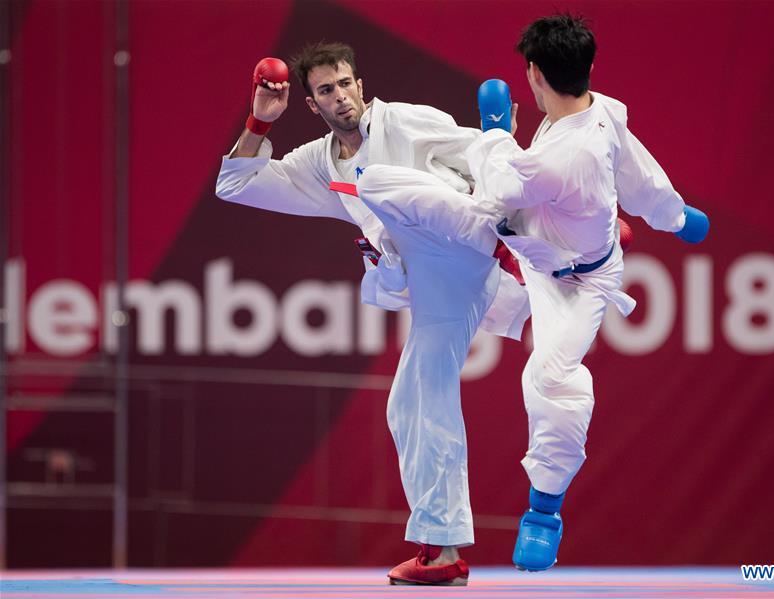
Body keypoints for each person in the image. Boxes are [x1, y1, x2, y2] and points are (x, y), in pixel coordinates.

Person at [215, 42, 529, 586]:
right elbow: (236, 183)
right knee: (411, 403)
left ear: (361, 84)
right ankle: (441, 549)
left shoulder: (404, 122)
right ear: (312, 105)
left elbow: (483, 159)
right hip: (434, 288)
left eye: (345, 84)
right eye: (326, 91)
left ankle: (541, 248)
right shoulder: (318, 161)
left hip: (470, 247)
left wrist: (502, 147)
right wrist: (259, 123)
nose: (340, 97)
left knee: (382, 182)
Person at [465, 14, 709, 571]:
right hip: (542, 245)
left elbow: (504, 184)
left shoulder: (562, 155)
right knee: (453, 280)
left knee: (548, 376)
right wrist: (676, 216)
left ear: (533, 75)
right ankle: (594, 230)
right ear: (588, 68)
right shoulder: (599, 108)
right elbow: (638, 171)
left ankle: (544, 511)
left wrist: (496, 127)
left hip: (575, 284)